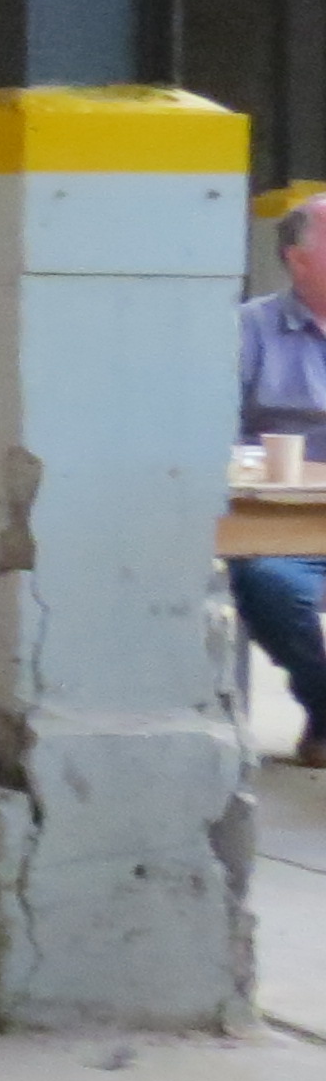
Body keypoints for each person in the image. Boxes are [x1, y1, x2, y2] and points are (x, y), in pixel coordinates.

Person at [232, 197, 326, 770]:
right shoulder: (250, 329)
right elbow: (212, 433)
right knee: (268, 582)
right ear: (298, 258)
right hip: (281, 527)